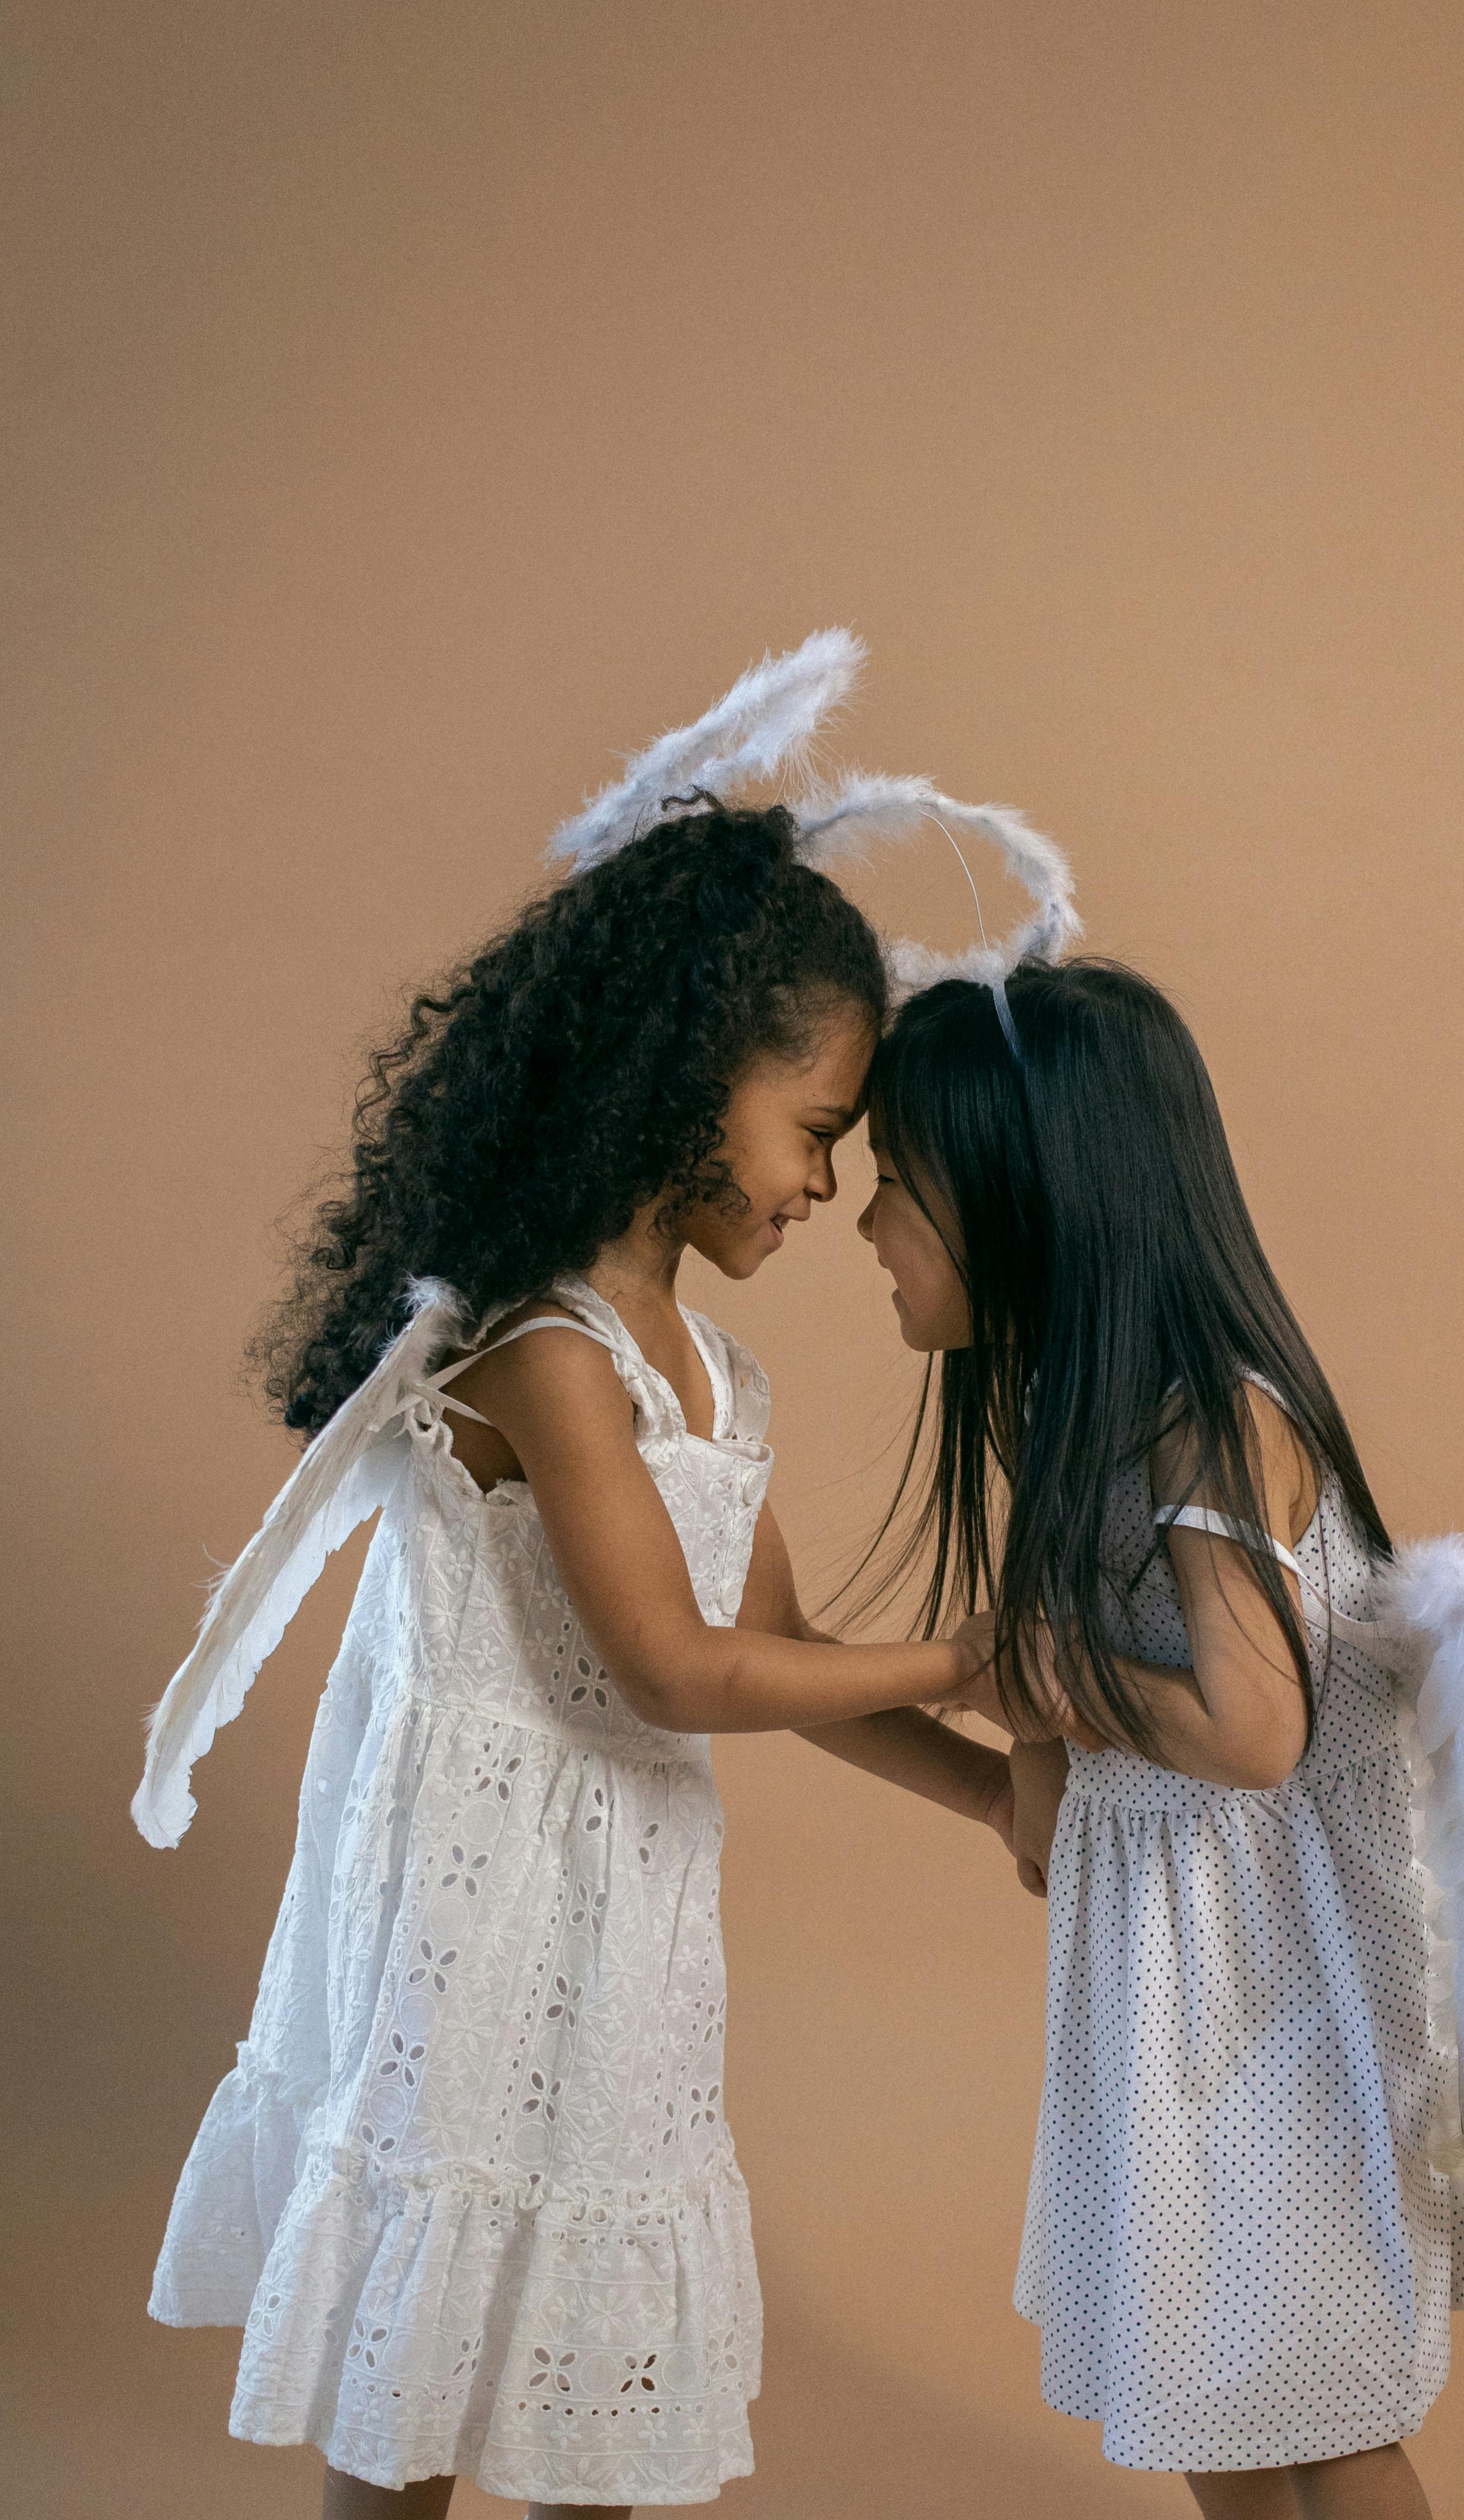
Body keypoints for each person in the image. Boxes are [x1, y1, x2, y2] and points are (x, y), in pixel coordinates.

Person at [133, 797, 1017, 2519]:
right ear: (689, 1081)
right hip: (484, 1929)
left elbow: (779, 1653)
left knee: (586, 2381)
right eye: (813, 1129)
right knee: (425, 2386)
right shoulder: (544, 1349)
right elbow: (675, 1670)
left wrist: (988, 1791)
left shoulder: (716, 1377)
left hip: (625, 1937)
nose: (826, 1185)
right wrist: (971, 1653)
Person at [854, 955, 1464, 2520]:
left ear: (1020, 1196)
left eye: (897, 1185)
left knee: (1314, 2396)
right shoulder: (1076, 1419)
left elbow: (1250, 1731)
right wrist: (1003, 1726)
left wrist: (1038, 1672)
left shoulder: (1207, 1414)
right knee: (1206, 2380)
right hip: (1182, 1983)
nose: (865, 1228)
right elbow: (1058, 1798)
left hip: (1287, 1989)